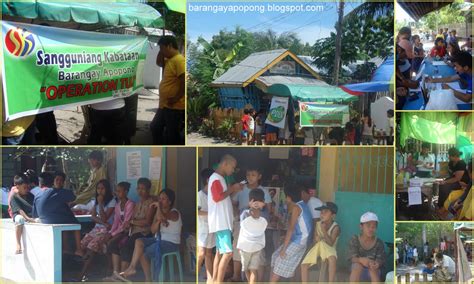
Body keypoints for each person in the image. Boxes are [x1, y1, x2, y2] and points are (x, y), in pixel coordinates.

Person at [119, 189, 182, 282]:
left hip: (171, 243)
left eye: (163, 199)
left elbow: (163, 216)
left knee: (143, 252)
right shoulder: (160, 213)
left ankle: (148, 280)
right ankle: (132, 267)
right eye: (159, 199)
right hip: (158, 239)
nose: (160, 201)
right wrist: (158, 222)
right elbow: (153, 230)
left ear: (169, 202)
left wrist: (158, 210)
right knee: (139, 242)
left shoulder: (174, 212)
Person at [105, 178, 154, 281]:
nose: (140, 191)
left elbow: (147, 222)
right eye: (138, 188)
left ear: (149, 190)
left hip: (145, 233)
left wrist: (131, 222)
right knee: (115, 244)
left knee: (126, 246)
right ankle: (116, 273)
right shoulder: (138, 203)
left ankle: (123, 276)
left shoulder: (151, 203)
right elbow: (130, 219)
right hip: (133, 231)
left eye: (143, 189)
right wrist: (128, 225)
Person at [231, 167, 272, 282]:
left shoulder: (264, 191)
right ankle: (236, 276)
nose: (250, 177)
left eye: (253, 175)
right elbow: (233, 203)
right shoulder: (241, 189)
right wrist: (236, 214)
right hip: (241, 223)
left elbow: (269, 208)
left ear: (259, 176)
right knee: (238, 249)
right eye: (248, 175)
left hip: (256, 224)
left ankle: (256, 281)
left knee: (256, 256)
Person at [208, 155, 243, 283]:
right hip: (221, 222)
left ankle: (214, 281)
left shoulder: (219, 178)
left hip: (221, 222)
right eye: (233, 167)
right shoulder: (216, 178)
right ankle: (218, 281)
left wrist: (234, 190)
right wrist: (232, 188)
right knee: (228, 253)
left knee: (219, 253)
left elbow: (222, 197)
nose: (233, 170)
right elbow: (217, 197)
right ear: (225, 164)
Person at [32, 173, 82, 256]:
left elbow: (34, 214)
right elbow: (73, 197)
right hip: (52, 220)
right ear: (53, 181)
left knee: (66, 217)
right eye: (57, 180)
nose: (59, 182)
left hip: (44, 220)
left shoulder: (38, 193)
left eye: (61, 180)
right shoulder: (60, 192)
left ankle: (65, 248)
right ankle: (79, 249)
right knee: (76, 223)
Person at [270, 186, 312, 283]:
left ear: (289, 198)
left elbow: (290, 229)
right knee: (275, 256)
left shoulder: (296, 208)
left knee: (280, 259)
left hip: (300, 241)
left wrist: (284, 248)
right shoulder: (302, 204)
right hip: (298, 240)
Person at [78, 179, 116, 281]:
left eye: (102, 188)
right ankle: (87, 268)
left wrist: (100, 203)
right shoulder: (96, 200)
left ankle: (82, 274)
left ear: (107, 189)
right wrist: (103, 223)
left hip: (107, 230)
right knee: (82, 244)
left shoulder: (112, 201)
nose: (100, 191)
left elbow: (104, 218)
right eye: (98, 188)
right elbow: (93, 216)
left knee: (91, 246)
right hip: (98, 228)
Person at [151, 36, 185, 145]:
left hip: (174, 106)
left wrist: (176, 98)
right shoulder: (169, 59)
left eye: (162, 48)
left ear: (170, 46)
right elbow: (159, 63)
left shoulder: (179, 60)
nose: (161, 51)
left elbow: (184, 81)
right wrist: (161, 50)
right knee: (155, 127)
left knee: (172, 134)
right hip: (165, 105)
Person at [301, 202, 340, 282]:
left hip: (330, 250)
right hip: (318, 249)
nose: (322, 214)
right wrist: (316, 239)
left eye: (325, 212)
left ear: (333, 216)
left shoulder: (336, 227)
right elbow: (315, 240)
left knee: (332, 259)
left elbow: (331, 243)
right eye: (321, 212)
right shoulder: (318, 224)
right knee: (304, 265)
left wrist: (323, 230)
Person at [237, 189, 268, 284]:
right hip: (257, 247)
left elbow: (241, 219)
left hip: (245, 246)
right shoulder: (264, 215)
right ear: (263, 201)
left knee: (246, 269)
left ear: (250, 200)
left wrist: (249, 207)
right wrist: (263, 207)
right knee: (254, 269)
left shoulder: (245, 213)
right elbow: (265, 220)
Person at [348, 212, 386, 283]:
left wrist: (376, 264)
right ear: (361, 226)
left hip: (373, 271)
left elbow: (381, 259)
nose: (371, 229)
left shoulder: (379, 242)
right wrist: (360, 260)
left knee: (373, 270)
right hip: (357, 270)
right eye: (368, 226)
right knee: (357, 266)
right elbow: (351, 258)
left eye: (374, 226)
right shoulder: (354, 239)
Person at [10, 174, 36, 254]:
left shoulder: (31, 196)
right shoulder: (14, 197)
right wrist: (28, 219)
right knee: (20, 219)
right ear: (17, 187)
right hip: (19, 215)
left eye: (27, 187)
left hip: (30, 215)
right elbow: (19, 210)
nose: (26, 189)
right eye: (24, 187)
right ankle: (18, 244)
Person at [197, 168, 216, 283]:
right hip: (203, 228)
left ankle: (210, 278)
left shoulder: (214, 195)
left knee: (209, 253)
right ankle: (197, 274)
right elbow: (197, 211)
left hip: (211, 228)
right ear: (209, 180)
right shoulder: (200, 195)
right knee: (202, 253)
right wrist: (211, 213)